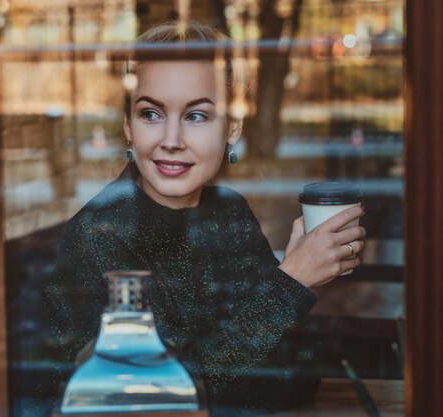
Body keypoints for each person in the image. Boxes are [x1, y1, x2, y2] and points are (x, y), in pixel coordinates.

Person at [42, 21, 366, 415]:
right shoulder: (100, 235)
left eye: (196, 116)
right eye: (151, 114)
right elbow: (162, 396)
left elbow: (299, 374)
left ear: (232, 127)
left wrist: (284, 295)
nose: (172, 139)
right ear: (128, 125)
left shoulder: (229, 213)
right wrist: (291, 283)